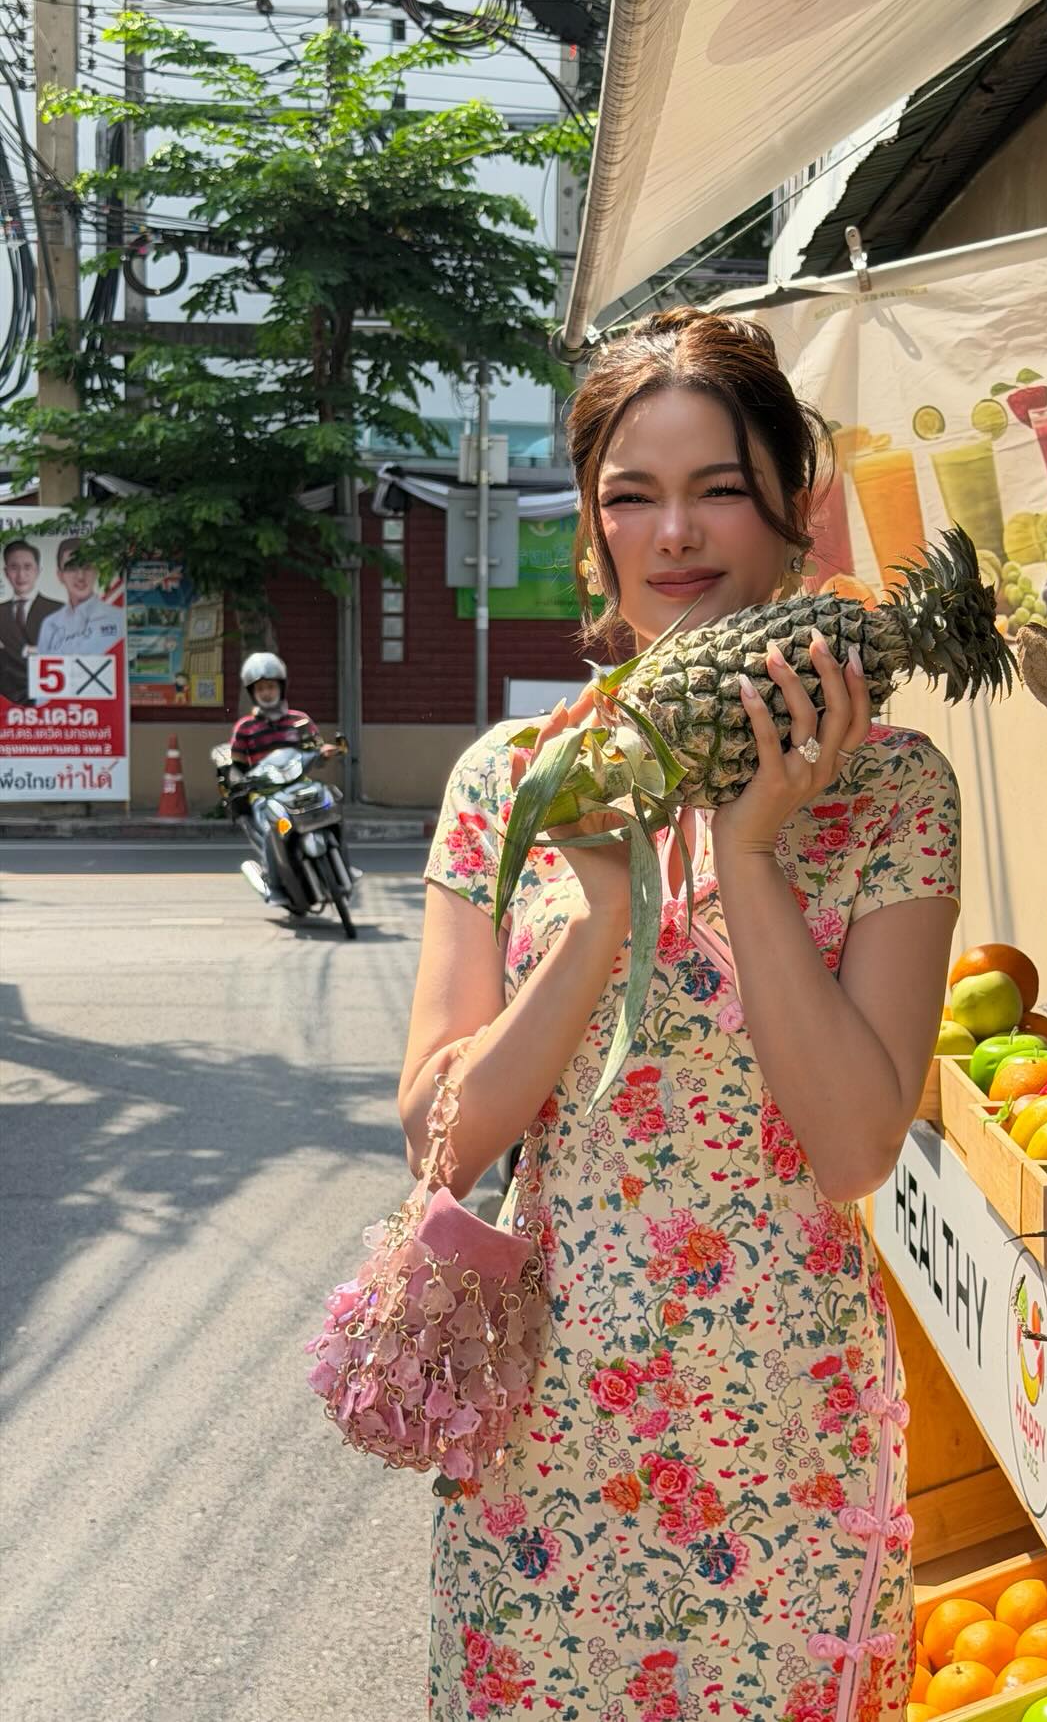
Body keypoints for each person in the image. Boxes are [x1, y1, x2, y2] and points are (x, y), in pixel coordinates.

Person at [399, 309, 960, 1721]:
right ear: (593, 537)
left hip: (790, 1445)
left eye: (718, 486)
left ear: (795, 506)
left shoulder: (894, 793)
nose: (678, 535)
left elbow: (852, 1149)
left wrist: (749, 852)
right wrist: (599, 919)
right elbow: (440, 1137)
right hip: (545, 1449)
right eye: (631, 498)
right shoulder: (512, 779)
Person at [229, 651, 349, 905]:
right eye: (261, 688)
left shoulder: (299, 720)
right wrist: (237, 781)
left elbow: (315, 748)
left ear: (281, 687)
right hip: (265, 795)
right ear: (253, 692)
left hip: (300, 787)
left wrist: (324, 752)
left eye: (271, 686)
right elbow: (236, 766)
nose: (267, 693)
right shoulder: (245, 728)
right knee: (276, 829)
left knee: (331, 805)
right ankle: (276, 884)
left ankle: (343, 868)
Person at [32, 539, 126, 658]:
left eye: (87, 567)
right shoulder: (50, 625)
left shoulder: (119, 618)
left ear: (96, 571)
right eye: (71, 568)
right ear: (60, 575)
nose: (80, 576)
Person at [0, 538, 63, 703]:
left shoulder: (59, 610)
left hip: (49, 697)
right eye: (14, 567)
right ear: (6, 572)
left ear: (38, 570)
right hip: (6, 700)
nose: (21, 575)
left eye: (28, 567)